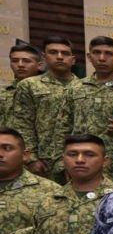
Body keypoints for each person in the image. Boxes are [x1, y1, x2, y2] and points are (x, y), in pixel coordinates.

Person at [57, 36, 113, 185]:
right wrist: (61, 162)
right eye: (97, 53)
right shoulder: (75, 88)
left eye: (109, 54)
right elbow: (62, 126)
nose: (102, 58)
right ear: (89, 57)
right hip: (81, 162)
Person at [11, 37, 79, 183]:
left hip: (78, 161)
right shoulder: (29, 85)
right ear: (44, 57)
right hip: (42, 163)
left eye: (65, 53)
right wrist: (31, 159)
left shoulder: (84, 88)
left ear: (73, 59)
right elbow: (22, 124)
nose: (60, 57)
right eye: (53, 52)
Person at [1, 42, 45, 127]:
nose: (20, 65)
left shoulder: (50, 90)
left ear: (39, 65)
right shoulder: (3, 92)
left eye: (26, 61)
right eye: (15, 61)